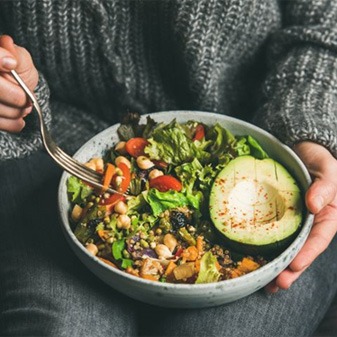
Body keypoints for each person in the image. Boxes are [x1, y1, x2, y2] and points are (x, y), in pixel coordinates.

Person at [0, 0, 337, 336]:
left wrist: (307, 125)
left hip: (268, 132)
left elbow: (326, 22)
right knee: (58, 329)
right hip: (52, 144)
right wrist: (13, 94)